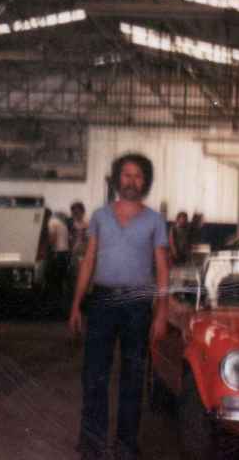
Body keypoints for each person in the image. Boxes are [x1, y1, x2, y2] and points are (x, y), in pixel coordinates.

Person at [68, 153, 169, 460]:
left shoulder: (155, 220)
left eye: (138, 175)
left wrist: (161, 313)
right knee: (94, 374)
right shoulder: (100, 216)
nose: (131, 181)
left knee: (133, 378)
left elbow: (162, 268)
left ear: (145, 182)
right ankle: (92, 444)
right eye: (126, 174)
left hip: (137, 305)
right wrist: (76, 305)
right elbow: (88, 261)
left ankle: (126, 446)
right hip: (102, 302)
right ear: (117, 179)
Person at [46, 211, 71, 314]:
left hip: (57, 254)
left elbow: (52, 239)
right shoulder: (62, 223)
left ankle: (55, 308)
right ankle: (63, 307)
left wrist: (48, 250)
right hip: (65, 253)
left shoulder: (51, 223)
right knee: (61, 282)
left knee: (54, 282)